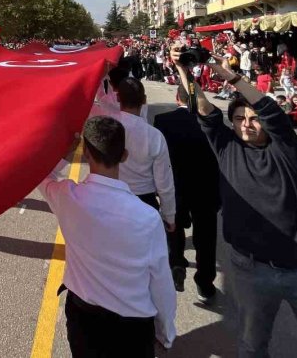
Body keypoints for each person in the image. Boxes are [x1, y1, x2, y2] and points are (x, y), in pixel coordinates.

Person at [173, 46, 297, 358]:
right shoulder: (226, 148)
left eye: (253, 119)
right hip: (250, 268)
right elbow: (202, 108)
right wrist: (184, 70)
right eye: (239, 118)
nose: (246, 124)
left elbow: (270, 110)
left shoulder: (285, 150)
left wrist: (230, 76)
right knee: (252, 345)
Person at [38, 115, 176, 356]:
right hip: (131, 328)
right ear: (124, 155)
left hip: (84, 320)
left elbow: (40, 174)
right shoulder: (147, 217)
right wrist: (165, 332)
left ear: (86, 154)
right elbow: (161, 282)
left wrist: (64, 154)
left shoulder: (67, 197)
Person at [153, 87, 220, 303]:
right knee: (206, 239)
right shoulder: (212, 121)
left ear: (177, 98)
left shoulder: (163, 121)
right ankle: (205, 283)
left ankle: (177, 265)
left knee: (174, 228)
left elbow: (160, 158)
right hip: (206, 188)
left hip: (176, 186)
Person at [113, 79, 176, 232]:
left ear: (117, 98)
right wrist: (169, 216)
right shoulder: (154, 135)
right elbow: (164, 182)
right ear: (144, 100)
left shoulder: (109, 128)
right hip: (145, 202)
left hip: (114, 198)